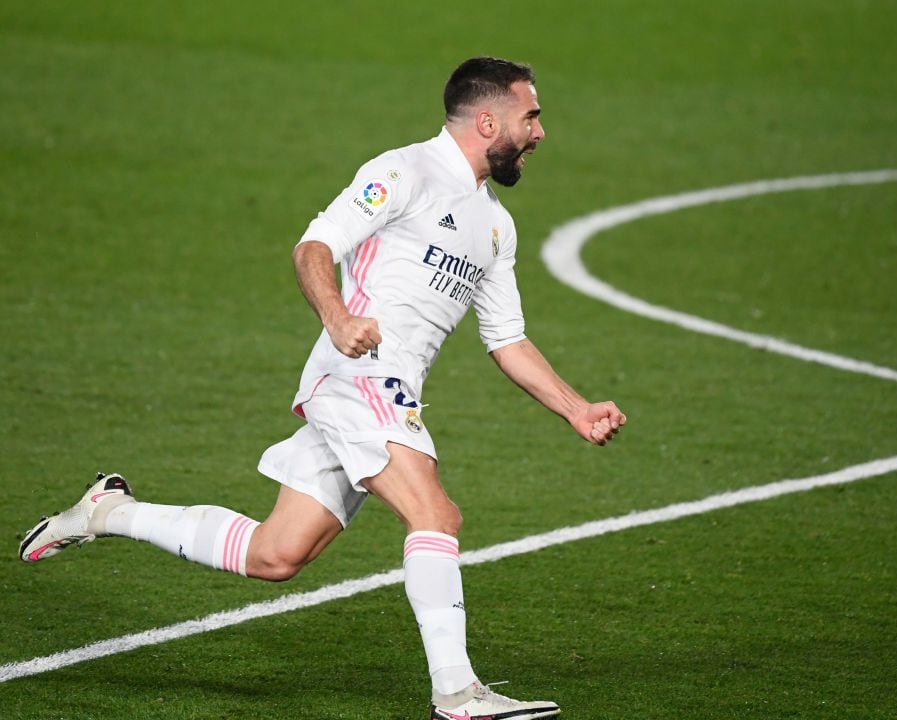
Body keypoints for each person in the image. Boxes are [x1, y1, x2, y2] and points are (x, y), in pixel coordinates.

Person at [20, 57, 626, 720]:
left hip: (389, 389)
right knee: (436, 515)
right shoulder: (403, 172)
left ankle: (108, 512)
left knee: (275, 554)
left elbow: (506, 339)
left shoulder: (495, 226)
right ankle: (457, 692)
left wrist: (575, 408)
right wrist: (337, 319)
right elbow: (314, 247)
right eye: (529, 116)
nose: (539, 132)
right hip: (360, 377)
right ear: (488, 121)